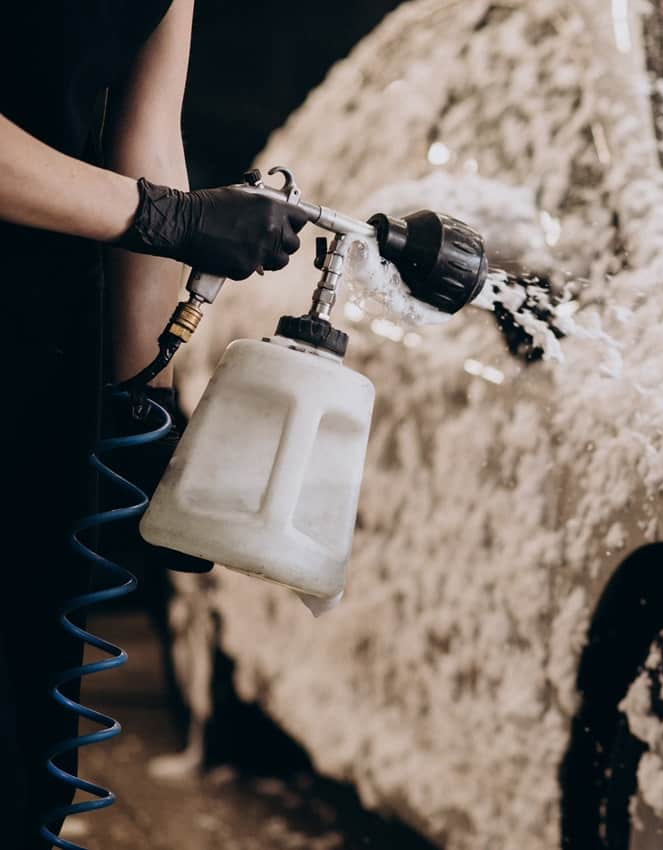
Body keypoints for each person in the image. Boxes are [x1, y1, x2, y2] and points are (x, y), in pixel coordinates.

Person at [0, 3, 308, 847]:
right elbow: (151, 205)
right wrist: (164, 217)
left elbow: (147, 156)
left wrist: (151, 403)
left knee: (30, 749)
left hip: (37, 350)